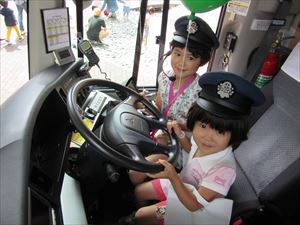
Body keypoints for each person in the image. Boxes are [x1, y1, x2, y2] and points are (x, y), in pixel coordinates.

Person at [119, 72, 266, 225]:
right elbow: (190, 149)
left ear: (235, 135)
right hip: (181, 185)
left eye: (220, 131)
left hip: (189, 207)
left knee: (142, 214)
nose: (207, 137)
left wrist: (172, 176)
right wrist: (180, 133)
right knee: (139, 192)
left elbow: (194, 205)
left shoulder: (224, 169)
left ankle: (140, 219)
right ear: (194, 121)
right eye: (203, 125)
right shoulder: (203, 142)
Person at [129, 15, 220, 185]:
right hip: (159, 135)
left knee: (135, 173)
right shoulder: (164, 78)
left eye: (191, 58)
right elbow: (159, 109)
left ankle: (140, 202)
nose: (181, 62)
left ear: (202, 62)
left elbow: (196, 127)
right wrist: (142, 104)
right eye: (177, 54)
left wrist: (175, 127)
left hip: (180, 146)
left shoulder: (201, 91)